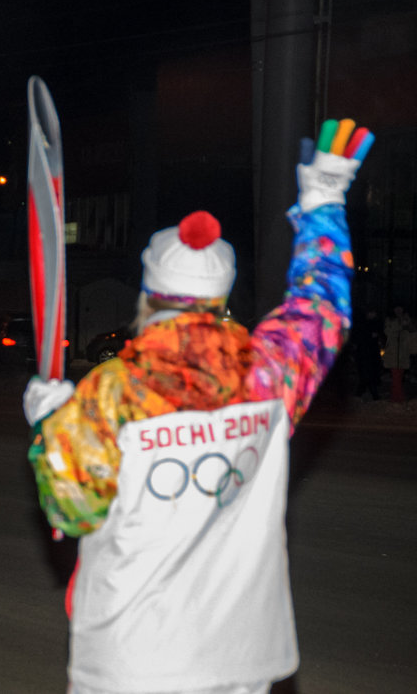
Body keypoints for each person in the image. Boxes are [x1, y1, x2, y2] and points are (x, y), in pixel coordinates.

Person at [23, 118, 370, 693]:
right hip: (243, 662)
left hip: (133, 664)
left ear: (147, 296)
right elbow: (320, 304)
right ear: (220, 299)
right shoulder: (267, 373)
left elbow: (71, 509)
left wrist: (53, 427)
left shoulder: (113, 393)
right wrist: (324, 200)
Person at [352, 307, 384, 400]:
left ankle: (363, 391)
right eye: (370, 313)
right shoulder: (361, 323)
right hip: (363, 352)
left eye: (373, 313)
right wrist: (369, 335)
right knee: (366, 372)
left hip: (373, 352)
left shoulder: (377, 323)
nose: (372, 315)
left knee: (371, 372)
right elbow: (358, 336)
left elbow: (380, 335)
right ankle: (370, 393)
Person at [382, 305, 414, 402]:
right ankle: (398, 398)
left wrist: (407, 323)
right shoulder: (389, 319)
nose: (399, 310)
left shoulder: (407, 318)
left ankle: (396, 398)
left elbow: (412, 330)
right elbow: (387, 331)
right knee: (396, 377)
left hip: (403, 353)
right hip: (393, 352)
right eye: (396, 308)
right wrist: (400, 325)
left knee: (399, 377)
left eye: (400, 308)